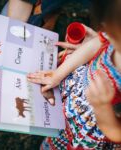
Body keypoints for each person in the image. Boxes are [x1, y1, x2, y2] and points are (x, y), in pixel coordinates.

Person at [27, 0, 121, 149]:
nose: (106, 34)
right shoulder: (112, 34)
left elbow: (117, 133)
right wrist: (57, 74)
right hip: (77, 96)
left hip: (94, 125)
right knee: (56, 131)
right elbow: (97, 42)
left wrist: (102, 108)